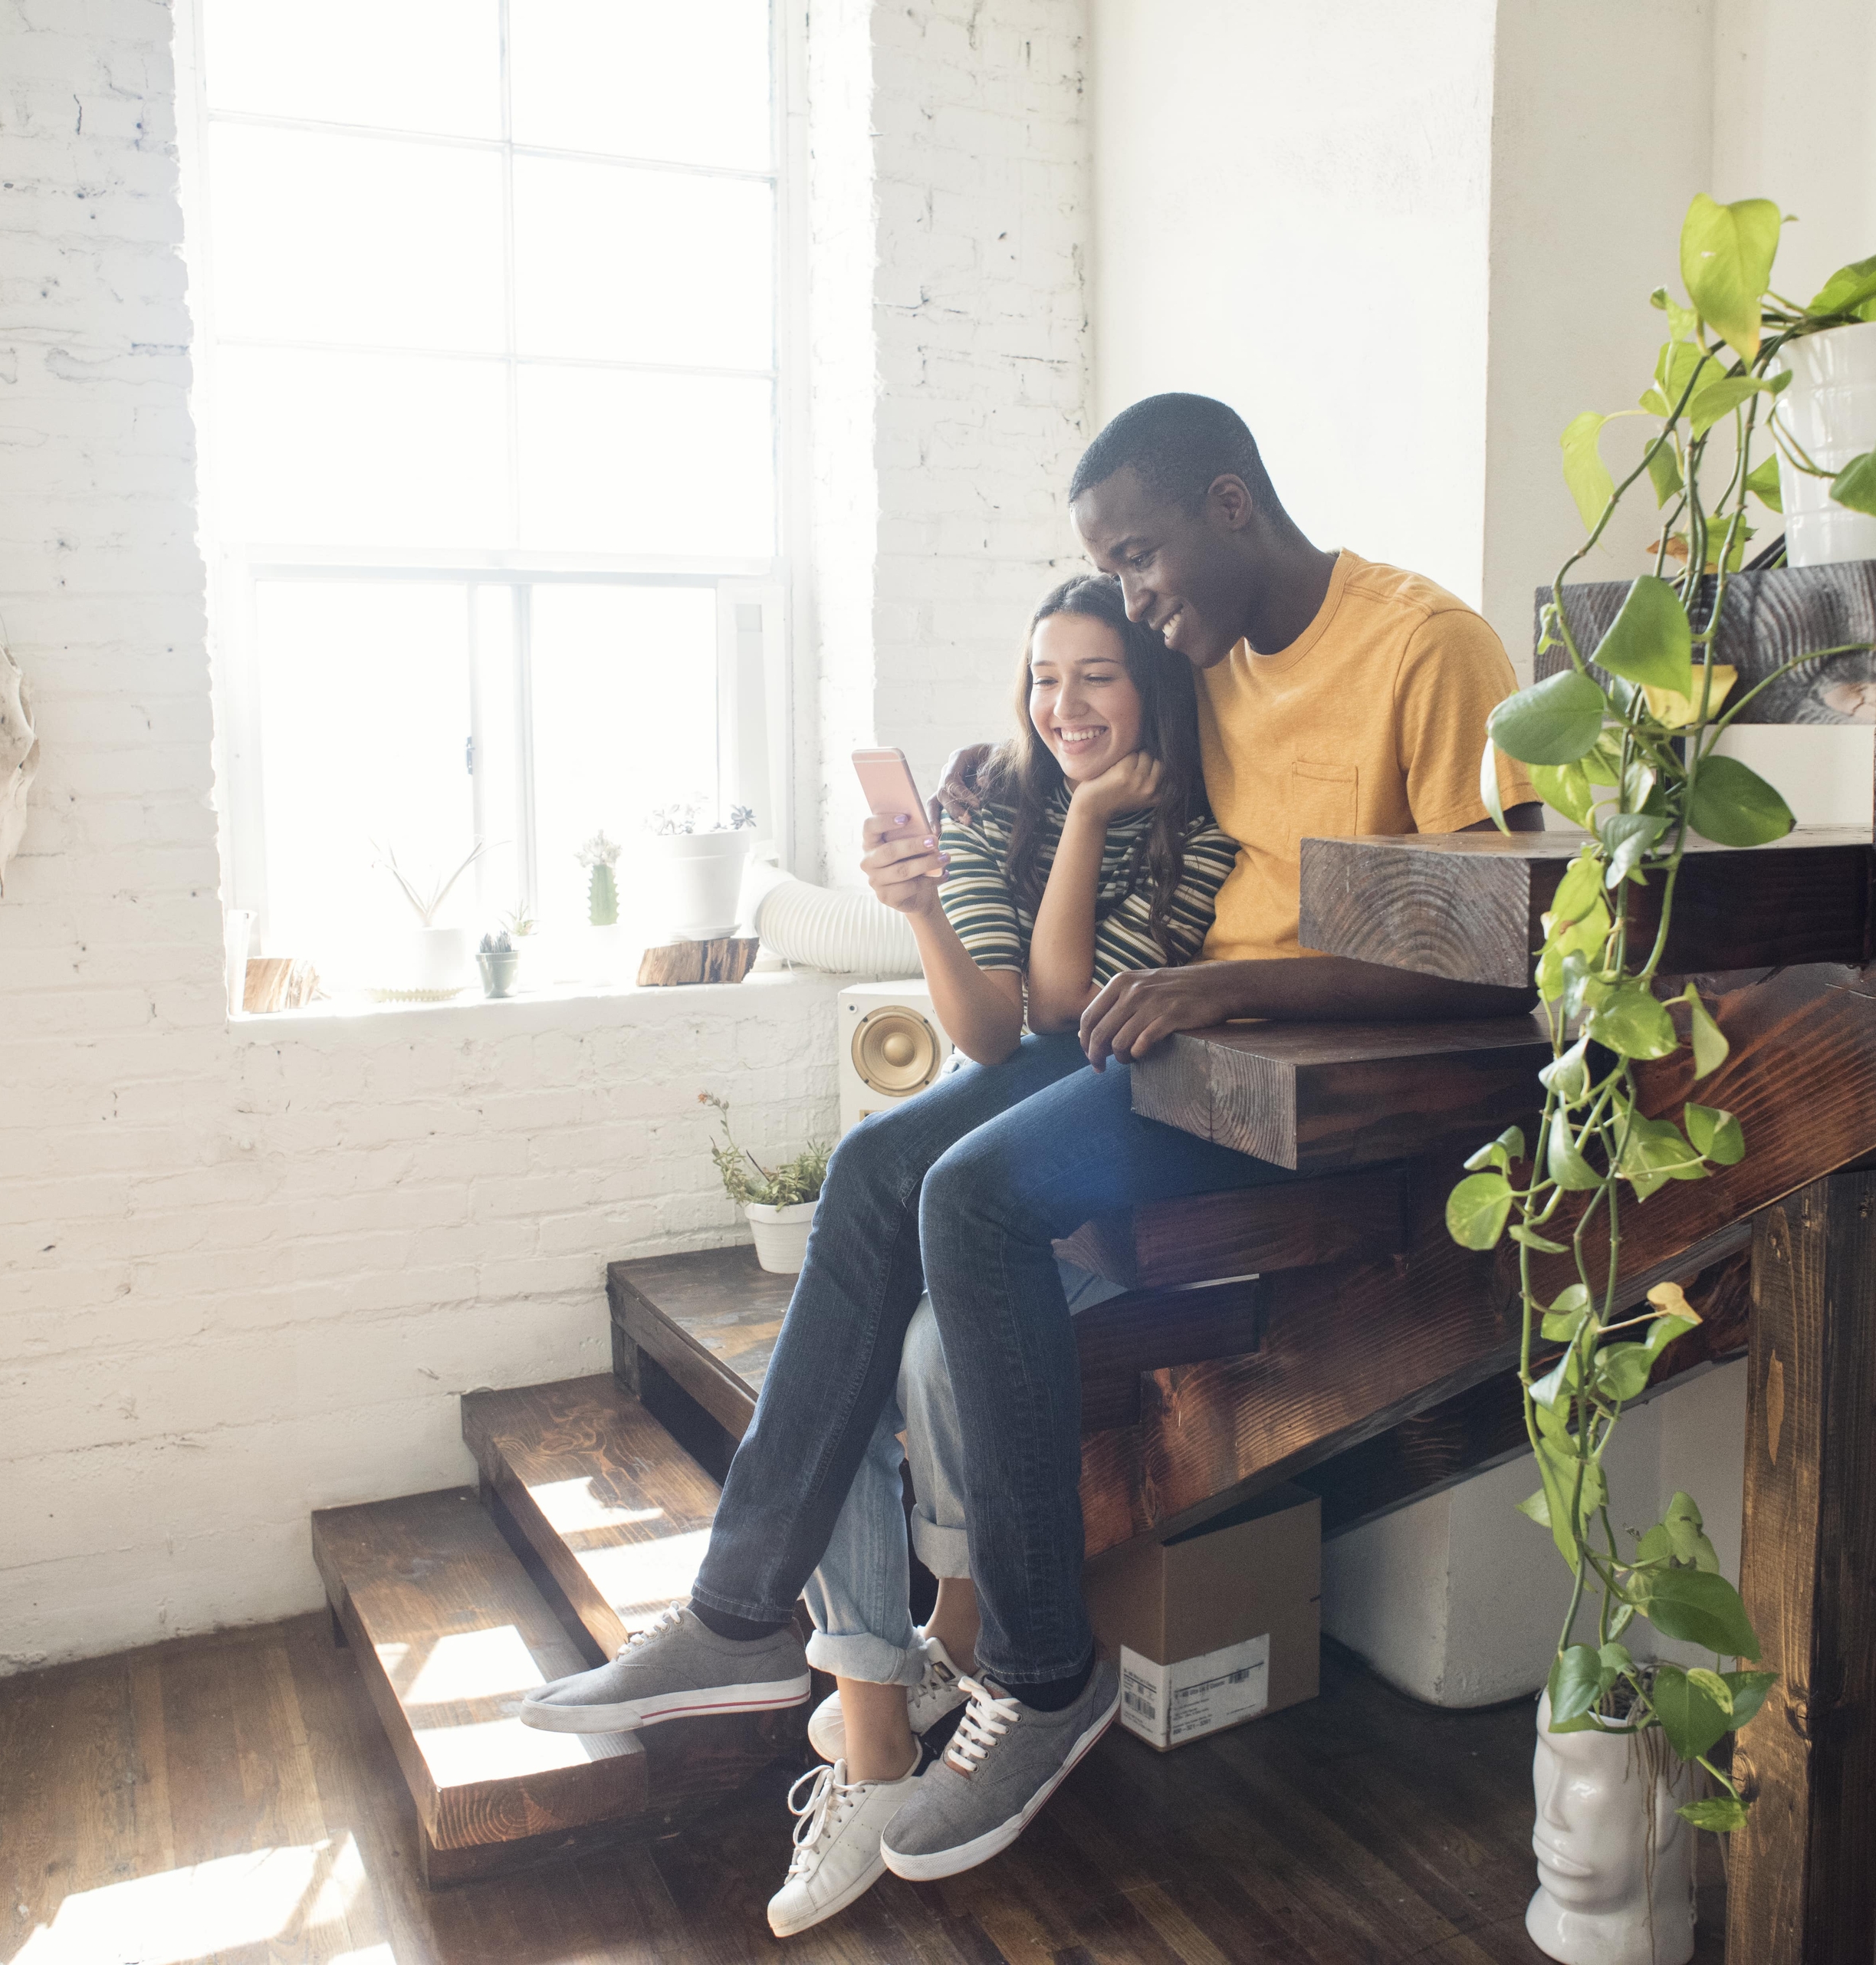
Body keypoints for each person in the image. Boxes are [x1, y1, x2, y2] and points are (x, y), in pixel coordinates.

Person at [519, 393, 1538, 1898]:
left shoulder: (1424, 647)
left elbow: (1499, 948)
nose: (1133, 597)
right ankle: (741, 1609)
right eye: (1111, 574)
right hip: (1183, 1042)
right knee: (876, 1170)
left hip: (1308, 1083)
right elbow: (1093, 807)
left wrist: (1225, 984)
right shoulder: (1217, 659)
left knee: (973, 1195)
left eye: (1139, 558)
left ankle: (1044, 1674)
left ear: (1230, 503)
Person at [524, 573, 1235, 1936]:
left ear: (1150, 686)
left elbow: (1078, 1017)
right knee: (861, 1243)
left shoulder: (1186, 832)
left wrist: (1090, 822)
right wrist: (922, 899)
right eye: (1044, 675)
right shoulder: (987, 807)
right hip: (1019, 1093)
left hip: (1101, 1114)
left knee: (889, 1287)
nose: (1065, 704)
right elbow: (985, 1033)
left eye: (1097, 675)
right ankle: (823, 1690)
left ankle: (815, 1646)